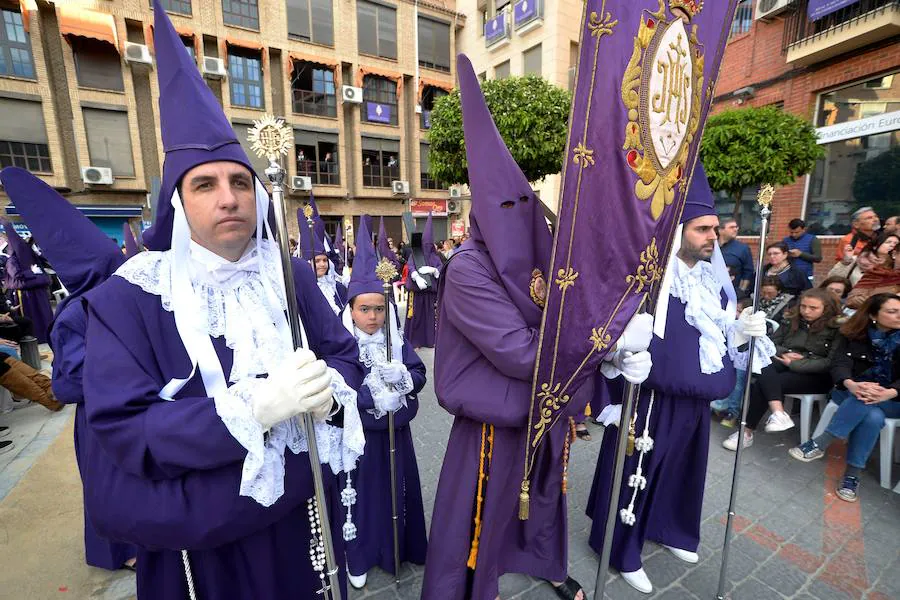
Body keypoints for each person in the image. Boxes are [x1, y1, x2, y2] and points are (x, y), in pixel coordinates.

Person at [78, 4, 365, 597]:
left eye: (240, 182)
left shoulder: (287, 274)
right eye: (205, 185)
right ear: (180, 206)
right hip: (195, 538)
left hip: (293, 513)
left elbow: (344, 355)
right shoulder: (131, 297)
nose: (228, 198)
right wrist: (254, 408)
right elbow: (125, 430)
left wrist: (324, 393)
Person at [422, 56, 652, 600]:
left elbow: (574, 315)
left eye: (522, 203)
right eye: (501, 205)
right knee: (479, 515)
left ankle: (546, 566)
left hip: (544, 408)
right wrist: (608, 346)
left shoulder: (542, 256)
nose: (514, 214)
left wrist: (612, 349)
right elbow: (523, 353)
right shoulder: (469, 269)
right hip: (491, 420)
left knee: (545, 498)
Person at [586, 165, 772, 595]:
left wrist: (744, 333)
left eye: (715, 229)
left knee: (682, 472)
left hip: (696, 400)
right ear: (679, 230)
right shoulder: (648, 278)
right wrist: (620, 356)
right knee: (639, 471)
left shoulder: (714, 282)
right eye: (703, 229)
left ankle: (670, 529)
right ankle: (618, 548)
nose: (714, 237)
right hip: (651, 398)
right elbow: (607, 332)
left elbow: (723, 337)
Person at [0, 166, 138, 570]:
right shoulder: (75, 315)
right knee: (109, 485)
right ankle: (121, 551)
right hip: (99, 420)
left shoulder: (115, 300)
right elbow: (71, 383)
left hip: (124, 411)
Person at [339, 217, 428, 589]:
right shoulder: (341, 344)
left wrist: (404, 379)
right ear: (352, 310)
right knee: (362, 496)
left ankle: (399, 548)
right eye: (364, 309)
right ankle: (359, 554)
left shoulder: (395, 340)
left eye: (378, 309)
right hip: (360, 441)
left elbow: (419, 372)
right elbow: (338, 389)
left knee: (396, 489)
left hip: (396, 434)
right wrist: (370, 394)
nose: (373, 317)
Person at [790, 293, 900, 502]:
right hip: (851, 391)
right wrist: (852, 384)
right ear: (874, 315)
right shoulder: (853, 334)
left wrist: (889, 392)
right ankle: (851, 476)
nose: (899, 316)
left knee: (867, 408)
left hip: (892, 399)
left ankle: (821, 442)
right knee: (870, 413)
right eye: (892, 311)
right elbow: (839, 364)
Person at [723, 288, 841, 450]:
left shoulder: (836, 329)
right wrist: (786, 353)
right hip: (784, 362)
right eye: (803, 306)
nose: (806, 311)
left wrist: (796, 363)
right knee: (763, 363)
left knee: (765, 383)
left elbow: (830, 362)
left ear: (826, 309)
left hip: (816, 376)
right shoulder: (791, 320)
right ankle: (777, 414)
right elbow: (771, 344)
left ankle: (748, 431)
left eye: (813, 308)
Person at [1, 221, 52, 343]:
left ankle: (47, 336)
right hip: (26, 296)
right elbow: (17, 275)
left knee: (43, 316)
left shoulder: (33, 257)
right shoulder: (12, 260)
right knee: (32, 319)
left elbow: (45, 271)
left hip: (38, 294)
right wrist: (33, 274)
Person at [404, 213, 442, 349]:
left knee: (430, 317)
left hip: (430, 293)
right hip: (417, 291)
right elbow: (410, 266)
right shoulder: (415, 254)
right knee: (416, 316)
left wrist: (434, 271)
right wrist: (416, 277)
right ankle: (415, 341)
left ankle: (430, 340)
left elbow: (440, 270)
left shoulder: (435, 257)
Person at [299, 216, 349, 315]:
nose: (322, 264)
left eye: (325, 260)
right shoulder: (302, 290)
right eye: (317, 261)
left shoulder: (337, 287)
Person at [845, 231, 899, 310]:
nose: (892, 245)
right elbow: (852, 300)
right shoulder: (877, 273)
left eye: (895, 243)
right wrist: (886, 302)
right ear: (894, 254)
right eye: (888, 242)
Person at [718, 217, 754, 295]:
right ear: (720, 230)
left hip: (732, 292)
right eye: (731, 227)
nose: (735, 229)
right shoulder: (710, 246)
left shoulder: (742, 248)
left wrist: (741, 292)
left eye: (736, 227)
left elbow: (748, 272)